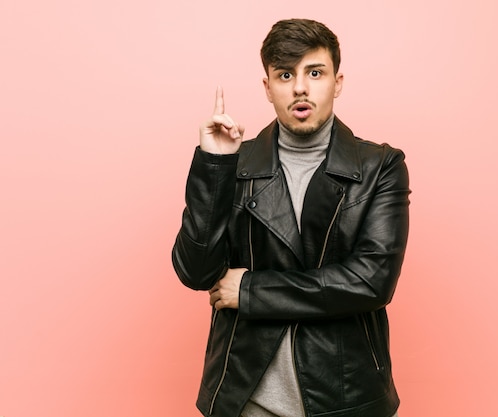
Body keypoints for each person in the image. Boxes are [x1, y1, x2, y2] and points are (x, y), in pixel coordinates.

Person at [172, 18, 410, 417]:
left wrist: (250, 291)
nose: (300, 87)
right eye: (285, 74)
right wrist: (215, 166)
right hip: (248, 396)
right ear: (268, 87)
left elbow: (372, 281)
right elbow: (196, 273)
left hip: (345, 395)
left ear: (337, 82)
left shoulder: (379, 166)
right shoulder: (237, 162)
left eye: (314, 73)